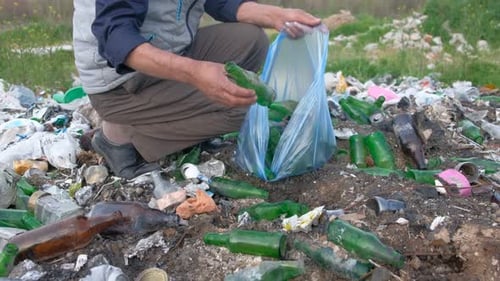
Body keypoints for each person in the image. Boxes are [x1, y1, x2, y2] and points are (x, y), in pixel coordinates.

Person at [73, 0, 322, 179]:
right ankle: (120, 137)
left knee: (251, 41)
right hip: (120, 81)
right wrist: (195, 73)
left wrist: (274, 15)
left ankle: (173, 117)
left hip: (169, 53)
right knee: (241, 108)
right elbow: (116, 40)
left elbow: (219, 2)